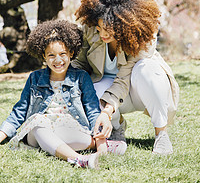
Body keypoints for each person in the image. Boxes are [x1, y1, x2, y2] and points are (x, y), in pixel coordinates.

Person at [72, 0, 179, 155]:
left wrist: (105, 112)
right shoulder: (91, 31)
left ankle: (161, 134)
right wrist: (62, 79)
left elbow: (124, 78)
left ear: (123, 25)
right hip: (111, 93)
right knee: (89, 87)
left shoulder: (141, 36)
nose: (102, 33)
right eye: (99, 28)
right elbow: (80, 63)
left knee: (147, 69)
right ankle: (117, 126)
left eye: (108, 29)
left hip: (140, 89)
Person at [0, 19, 126, 169]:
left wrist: (101, 145)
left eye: (62, 54)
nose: (58, 60)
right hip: (37, 130)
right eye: (51, 55)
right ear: (44, 56)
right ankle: (80, 159)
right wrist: (1, 135)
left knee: (60, 135)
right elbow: (19, 112)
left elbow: (92, 111)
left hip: (69, 129)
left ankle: (86, 146)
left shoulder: (81, 78)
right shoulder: (35, 78)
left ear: (71, 53)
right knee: (37, 123)